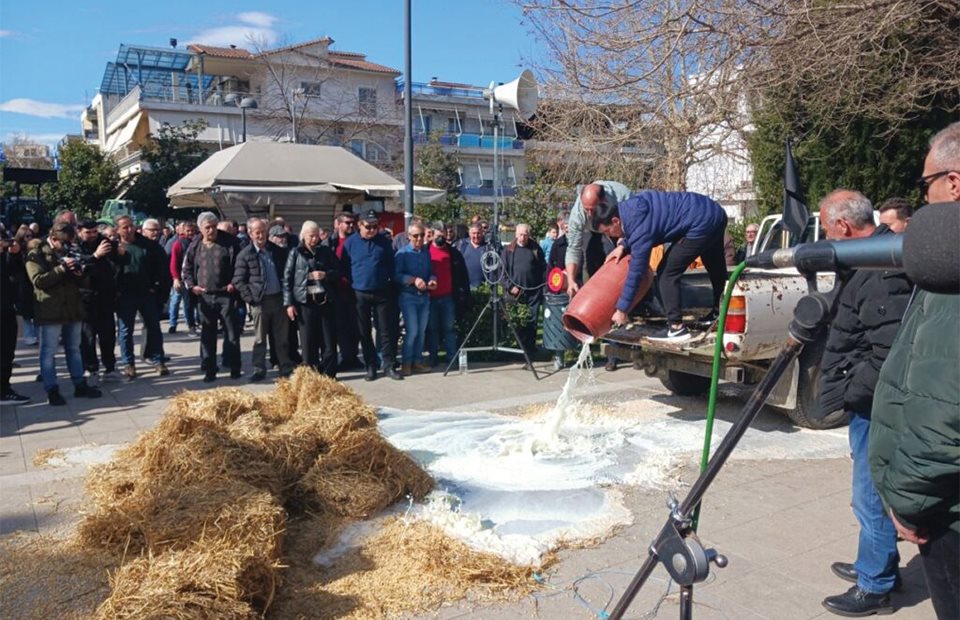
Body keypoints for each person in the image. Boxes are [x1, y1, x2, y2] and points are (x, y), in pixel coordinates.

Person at [870, 121, 960, 620]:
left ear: (955, 182)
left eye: (925, 185)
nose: (922, 201)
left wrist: (908, 502)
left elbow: (942, 408)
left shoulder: (951, 268)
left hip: (947, 516)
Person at [813, 190, 912, 617]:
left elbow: (886, 350)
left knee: (869, 495)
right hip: (868, 402)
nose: (822, 235)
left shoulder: (882, 270)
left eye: (823, 227)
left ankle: (876, 587)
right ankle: (878, 563)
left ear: (843, 228)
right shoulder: (872, 260)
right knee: (869, 493)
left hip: (875, 404)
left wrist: (851, 389)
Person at [593, 190, 729, 342]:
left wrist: (622, 309)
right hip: (714, 212)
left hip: (700, 223)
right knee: (714, 264)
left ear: (616, 221)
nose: (609, 236)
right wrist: (623, 246)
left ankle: (677, 328)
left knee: (666, 273)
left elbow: (636, 272)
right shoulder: (630, 207)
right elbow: (643, 226)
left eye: (607, 231)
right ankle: (721, 313)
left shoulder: (638, 228)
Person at [24, 222, 101, 405]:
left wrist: (79, 272)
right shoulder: (37, 254)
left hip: (72, 308)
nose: (66, 246)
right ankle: (52, 389)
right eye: (63, 243)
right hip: (50, 309)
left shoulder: (69, 251)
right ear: (54, 238)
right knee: (48, 351)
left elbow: (81, 280)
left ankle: (79, 384)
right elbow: (38, 281)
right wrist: (61, 269)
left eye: (69, 242)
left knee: (74, 348)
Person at [182, 212, 242, 382]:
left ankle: (235, 368)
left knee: (232, 334)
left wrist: (234, 283)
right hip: (205, 296)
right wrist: (192, 286)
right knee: (207, 335)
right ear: (201, 228)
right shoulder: (195, 245)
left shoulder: (230, 243)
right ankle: (210, 369)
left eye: (213, 227)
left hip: (226, 295)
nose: (211, 230)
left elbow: (240, 266)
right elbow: (186, 269)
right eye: (207, 227)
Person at [343, 210, 402, 381]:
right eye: (368, 227)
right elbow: (345, 266)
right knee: (364, 332)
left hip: (382, 291)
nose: (372, 230)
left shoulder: (384, 242)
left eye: (375, 226)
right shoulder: (351, 243)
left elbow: (391, 264)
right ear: (359, 225)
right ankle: (371, 366)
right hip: (360, 293)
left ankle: (389, 365)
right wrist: (354, 281)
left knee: (386, 331)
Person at [233, 218, 293, 381]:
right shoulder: (245, 254)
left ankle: (285, 367)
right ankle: (259, 369)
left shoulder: (276, 250)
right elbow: (238, 280)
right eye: (257, 232)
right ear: (251, 234)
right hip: (260, 301)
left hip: (279, 299)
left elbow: (286, 273)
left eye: (263, 232)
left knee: (281, 337)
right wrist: (250, 298)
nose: (261, 235)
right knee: (260, 339)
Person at [114, 215, 170, 378]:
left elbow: (161, 269)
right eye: (125, 227)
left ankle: (158, 360)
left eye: (131, 226)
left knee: (153, 327)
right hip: (125, 295)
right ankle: (128, 363)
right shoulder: (114, 247)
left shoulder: (148, 246)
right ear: (118, 230)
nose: (129, 229)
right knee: (125, 331)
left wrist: (156, 288)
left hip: (146, 294)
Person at [283, 221, 341, 378]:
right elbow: (287, 279)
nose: (315, 239)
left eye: (317, 235)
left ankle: (329, 375)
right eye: (311, 236)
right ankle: (311, 376)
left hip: (324, 300)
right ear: (303, 235)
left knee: (329, 343)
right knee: (308, 343)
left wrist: (326, 275)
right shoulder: (295, 253)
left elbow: (338, 271)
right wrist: (289, 304)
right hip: (305, 303)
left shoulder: (326, 251)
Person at [565, 181, 632, 298]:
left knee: (618, 261)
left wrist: (622, 244)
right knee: (590, 261)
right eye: (587, 209)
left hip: (619, 229)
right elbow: (573, 248)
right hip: (592, 231)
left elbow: (634, 228)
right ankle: (590, 299)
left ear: (604, 201)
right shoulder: (578, 215)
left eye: (593, 209)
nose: (590, 214)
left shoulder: (622, 197)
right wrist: (571, 280)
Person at [76, 219, 122, 384]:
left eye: (94, 232)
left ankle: (110, 367)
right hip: (85, 297)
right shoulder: (76, 245)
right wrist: (95, 256)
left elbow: (118, 260)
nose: (92, 235)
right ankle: (91, 368)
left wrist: (120, 252)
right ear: (79, 231)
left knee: (108, 334)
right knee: (88, 336)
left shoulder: (104, 242)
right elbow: (78, 264)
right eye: (88, 232)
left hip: (105, 296)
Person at [425, 221, 469, 369]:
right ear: (432, 235)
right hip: (430, 297)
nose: (441, 238)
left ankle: (452, 358)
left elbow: (463, 275)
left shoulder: (454, 253)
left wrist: (465, 294)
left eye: (443, 235)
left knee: (449, 329)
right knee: (432, 329)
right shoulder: (425, 251)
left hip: (448, 296)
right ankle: (433, 357)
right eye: (438, 235)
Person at [394, 222, 435, 375]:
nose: (419, 239)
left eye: (421, 235)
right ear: (408, 236)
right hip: (408, 296)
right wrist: (412, 280)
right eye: (415, 235)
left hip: (424, 296)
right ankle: (406, 362)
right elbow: (395, 275)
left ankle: (417, 362)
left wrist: (432, 280)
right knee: (412, 331)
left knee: (421, 332)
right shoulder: (402, 253)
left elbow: (431, 271)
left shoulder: (426, 252)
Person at [501, 223, 546, 358]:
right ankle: (517, 349)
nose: (523, 237)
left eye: (525, 234)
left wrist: (542, 286)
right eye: (520, 234)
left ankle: (530, 349)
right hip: (515, 293)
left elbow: (543, 269)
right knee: (517, 322)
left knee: (532, 321)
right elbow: (502, 272)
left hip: (533, 292)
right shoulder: (508, 250)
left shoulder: (535, 249)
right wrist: (510, 287)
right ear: (516, 234)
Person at [324, 213, 362, 369]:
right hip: (337, 290)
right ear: (338, 224)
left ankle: (352, 357)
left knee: (356, 326)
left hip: (355, 289)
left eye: (352, 223)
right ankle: (346, 357)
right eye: (347, 223)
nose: (350, 226)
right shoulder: (330, 243)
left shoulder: (358, 241)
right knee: (340, 327)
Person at [1, 229, 28, 402]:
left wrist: (16, 255)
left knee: (7, 351)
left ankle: (4, 386)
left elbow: (15, 273)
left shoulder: (5, 257)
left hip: (7, 308)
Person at [168, 221, 199, 336]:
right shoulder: (178, 244)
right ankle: (191, 326)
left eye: (192, 230)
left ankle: (199, 323)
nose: (190, 233)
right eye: (188, 231)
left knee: (199, 304)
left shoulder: (199, 241)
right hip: (184, 278)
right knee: (188, 303)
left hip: (199, 278)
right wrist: (175, 278)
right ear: (183, 231)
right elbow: (174, 263)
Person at [455, 222, 489, 289]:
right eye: (473, 233)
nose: (476, 236)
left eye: (478, 233)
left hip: (483, 288)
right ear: (469, 234)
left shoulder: (488, 248)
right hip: (464, 288)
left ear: (482, 233)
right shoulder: (462, 246)